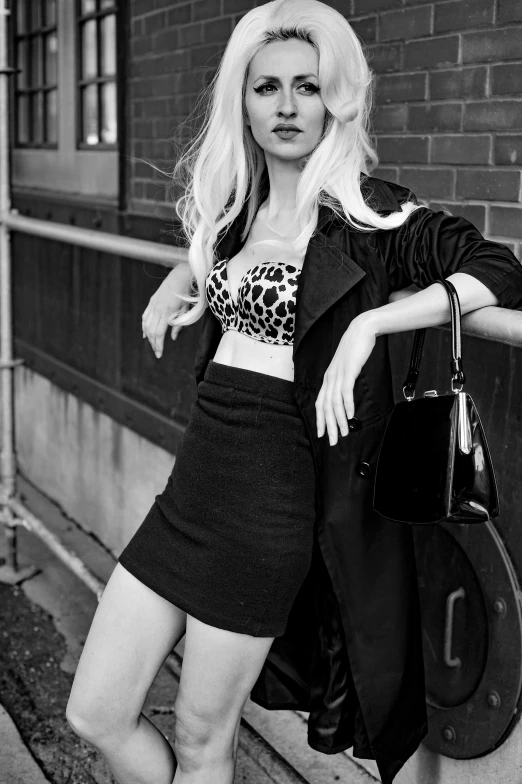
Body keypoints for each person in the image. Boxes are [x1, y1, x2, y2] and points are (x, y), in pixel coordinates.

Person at [65, 1, 522, 783]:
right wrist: (176, 281)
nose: (284, 107)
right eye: (265, 87)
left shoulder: (371, 217)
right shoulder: (238, 209)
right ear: (240, 102)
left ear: (334, 99)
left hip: (265, 513)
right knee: (95, 713)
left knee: (205, 744)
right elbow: (216, 252)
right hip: (192, 491)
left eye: (305, 87)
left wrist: (371, 323)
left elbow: (497, 268)